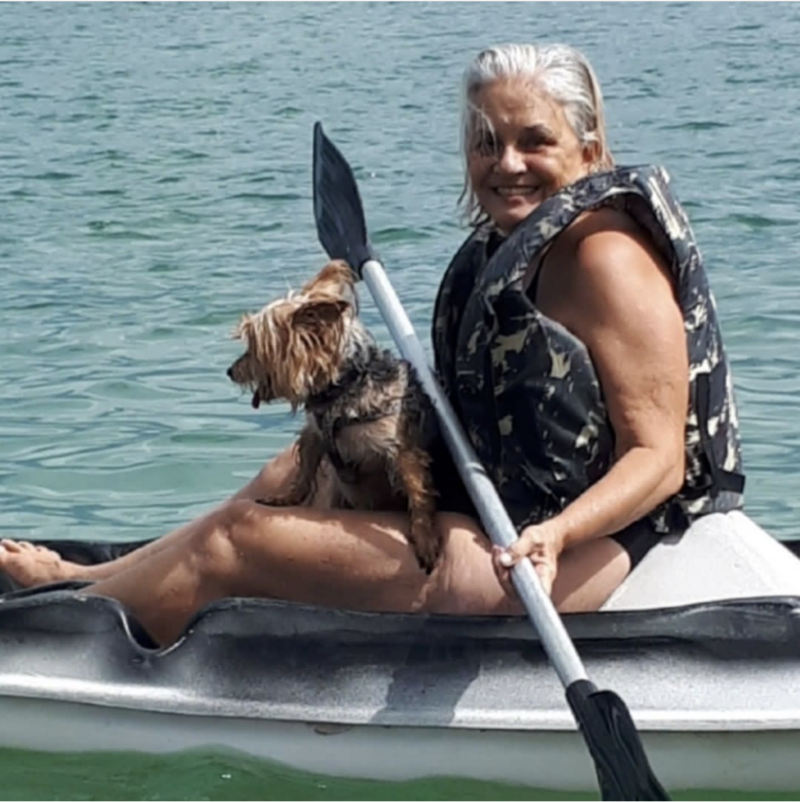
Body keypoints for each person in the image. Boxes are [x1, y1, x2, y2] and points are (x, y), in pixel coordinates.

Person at [0, 43, 744, 646]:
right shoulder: (516, 242)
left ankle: (65, 639)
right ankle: (88, 580)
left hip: (584, 547)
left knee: (236, 541)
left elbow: (659, 459)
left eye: (534, 140)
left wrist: (554, 536)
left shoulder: (604, 258)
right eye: (487, 141)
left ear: (588, 147)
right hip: (497, 509)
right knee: (290, 465)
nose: (507, 162)